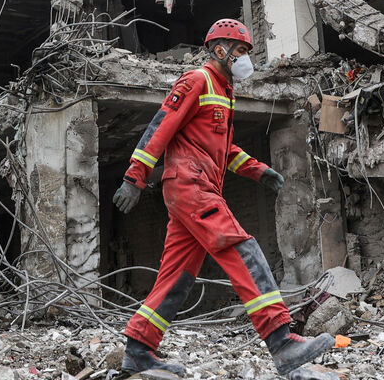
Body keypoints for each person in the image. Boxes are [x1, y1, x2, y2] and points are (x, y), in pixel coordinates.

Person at [112, 19, 334, 377]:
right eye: (242, 51)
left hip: (199, 187)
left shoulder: (224, 91)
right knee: (242, 250)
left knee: (177, 276)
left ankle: (139, 348)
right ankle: (282, 341)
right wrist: (133, 178)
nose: (246, 59)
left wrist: (259, 170)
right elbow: (160, 127)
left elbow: (223, 148)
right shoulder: (196, 80)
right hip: (190, 186)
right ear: (220, 51)